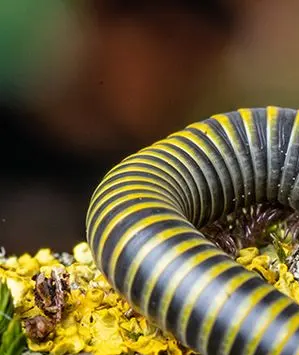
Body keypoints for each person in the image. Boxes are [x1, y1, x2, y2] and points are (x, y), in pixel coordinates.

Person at [0, 0, 240, 255]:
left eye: (197, 60)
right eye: (163, 36)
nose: (175, 73)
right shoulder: (8, 142)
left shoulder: (162, 184)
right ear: (101, 19)